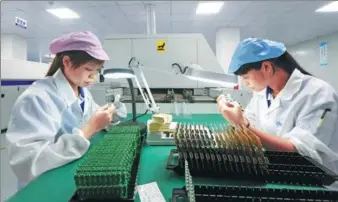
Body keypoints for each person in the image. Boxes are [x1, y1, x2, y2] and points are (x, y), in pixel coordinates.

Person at [6, 31, 126, 189]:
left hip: (73, 175)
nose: (93, 77)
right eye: (89, 69)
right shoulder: (37, 98)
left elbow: (94, 116)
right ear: (67, 62)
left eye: (97, 71)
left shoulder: (82, 92)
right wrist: (89, 129)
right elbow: (28, 164)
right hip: (45, 188)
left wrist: (111, 113)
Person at [217, 38, 338, 188]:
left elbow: (298, 152)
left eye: (246, 76)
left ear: (266, 67)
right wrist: (237, 120)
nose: (244, 82)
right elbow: (251, 124)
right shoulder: (262, 94)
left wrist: (243, 124)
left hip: (319, 184)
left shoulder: (317, 93)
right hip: (282, 174)